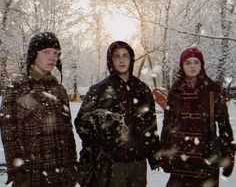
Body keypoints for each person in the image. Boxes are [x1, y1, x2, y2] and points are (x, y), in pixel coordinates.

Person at [74, 41, 160, 187]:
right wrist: (104, 135)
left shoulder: (142, 89)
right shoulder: (99, 90)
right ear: (111, 60)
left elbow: (150, 125)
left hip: (137, 163)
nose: (121, 60)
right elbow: (81, 124)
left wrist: (154, 154)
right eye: (116, 56)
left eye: (125, 55)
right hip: (110, 164)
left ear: (131, 59)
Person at [0, 32, 79, 187]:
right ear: (34, 54)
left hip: (61, 176)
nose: (52, 57)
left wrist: (72, 167)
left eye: (56, 53)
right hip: (33, 176)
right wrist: (18, 175)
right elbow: (9, 136)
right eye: (46, 52)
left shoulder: (59, 89)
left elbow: (68, 133)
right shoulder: (16, 88)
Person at [160, 47, 235, 187]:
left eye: (196, 62)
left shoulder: (213, 90)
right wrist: (165, 153)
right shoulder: (175, 90)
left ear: (202, 65)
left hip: (206, 158)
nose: (192, 66)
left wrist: (229, 156)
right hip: (180, 157)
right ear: (182, 66)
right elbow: (168, 124)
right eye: (188, 62)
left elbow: (224, 125)